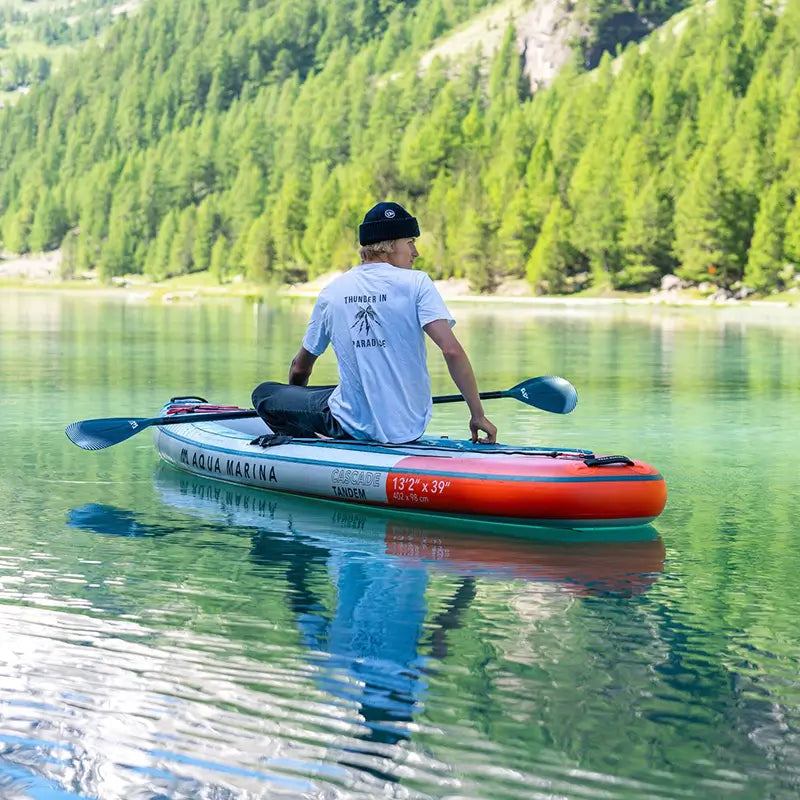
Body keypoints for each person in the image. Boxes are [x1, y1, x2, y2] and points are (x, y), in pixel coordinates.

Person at [252, 201, 497, 445]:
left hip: (351, 424)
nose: (415, 252)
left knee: (265, 394)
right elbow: (451, 350)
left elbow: (299, 368)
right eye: (410, 242)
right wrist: (478, 415)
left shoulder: (333, 292)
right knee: (340, 389)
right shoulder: (418, 283)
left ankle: (304, 445)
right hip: (410, 426)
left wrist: (297, 409)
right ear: (388, 246)